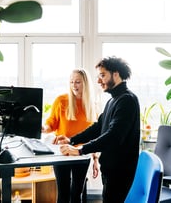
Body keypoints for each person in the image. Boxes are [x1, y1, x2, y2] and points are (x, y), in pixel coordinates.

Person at [54, 57, 140, 203]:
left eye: (102, 75)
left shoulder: (127, 100)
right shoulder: (113, 100)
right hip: (110, 170)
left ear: (116, 74)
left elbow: (113, 136)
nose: (99, 81)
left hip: (120, 172)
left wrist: (81, 150)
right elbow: (98, 127)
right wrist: (72, 140)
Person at [43, 68, 98, 203]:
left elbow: (95, 135)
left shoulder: (92, 105)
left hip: (82, 154)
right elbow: (52, 123)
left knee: (76, 194)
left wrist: (95, 159)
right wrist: (44, 128)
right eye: (71, 82)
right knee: (63, 193)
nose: (74, 85)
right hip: (62, 153)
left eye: (78, 82)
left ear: (85, 84)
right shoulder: (61, 101)